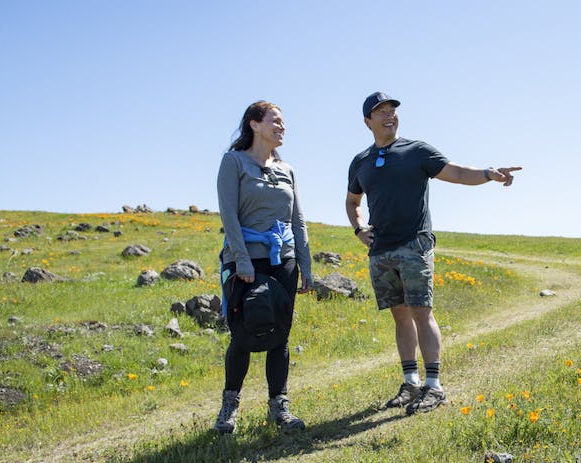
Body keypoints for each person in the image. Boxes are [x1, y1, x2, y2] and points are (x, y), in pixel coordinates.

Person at [346, 92, 521, 415]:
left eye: (392, 111)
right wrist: (359, 229)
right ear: (367, 121)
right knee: (400, 315)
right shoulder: (361, 162)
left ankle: (434, 386)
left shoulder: (416, 151)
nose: (389, 116)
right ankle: (411, 382)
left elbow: (454, 172)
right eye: (380, 112)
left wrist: (488, 173)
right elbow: (352, 201)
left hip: (415, 244)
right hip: (381, 251)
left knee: (421, 311)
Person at [214, 100, 313, 434]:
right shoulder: (234, 162)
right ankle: (229, 408)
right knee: (243, 334)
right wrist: (241, 258)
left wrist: (305, 264)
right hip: (244, 261)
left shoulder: (288, 170)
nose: (282, 127)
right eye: (276, 120)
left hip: (282, 261)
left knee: (279, 335)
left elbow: (297, 220)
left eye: (284, 122)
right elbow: (228, 214)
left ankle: (279, 408)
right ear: (254, 124)